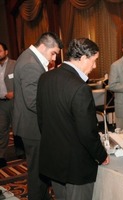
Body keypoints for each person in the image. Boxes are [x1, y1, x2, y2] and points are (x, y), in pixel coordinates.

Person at [36, 38, 109, 199]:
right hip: (76, 166)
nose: (95, 66)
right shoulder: (80, 88)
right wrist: (102, 155)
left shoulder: (45, 78)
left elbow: (42, 120)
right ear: (83, 58)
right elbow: (87, 132)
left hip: (54, 159)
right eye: (94, 60)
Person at [13, 32, 63, 200]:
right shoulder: (31, 64)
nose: (54, 58)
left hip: (30, 125)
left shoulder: (29, 57)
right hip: (32, 127)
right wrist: (56, 113)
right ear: (43, 46)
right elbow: (33, 102)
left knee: (40, 171)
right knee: (37, 173)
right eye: (53, 53)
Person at [0, 42, 25, 168]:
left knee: (17, 127)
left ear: (6, 52)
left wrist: (15, 92)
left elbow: (22, 81)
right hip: (1, 103)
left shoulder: (15, 65)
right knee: (2, 129)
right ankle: (1, 156)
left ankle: (21, 152)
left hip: (15, 101)